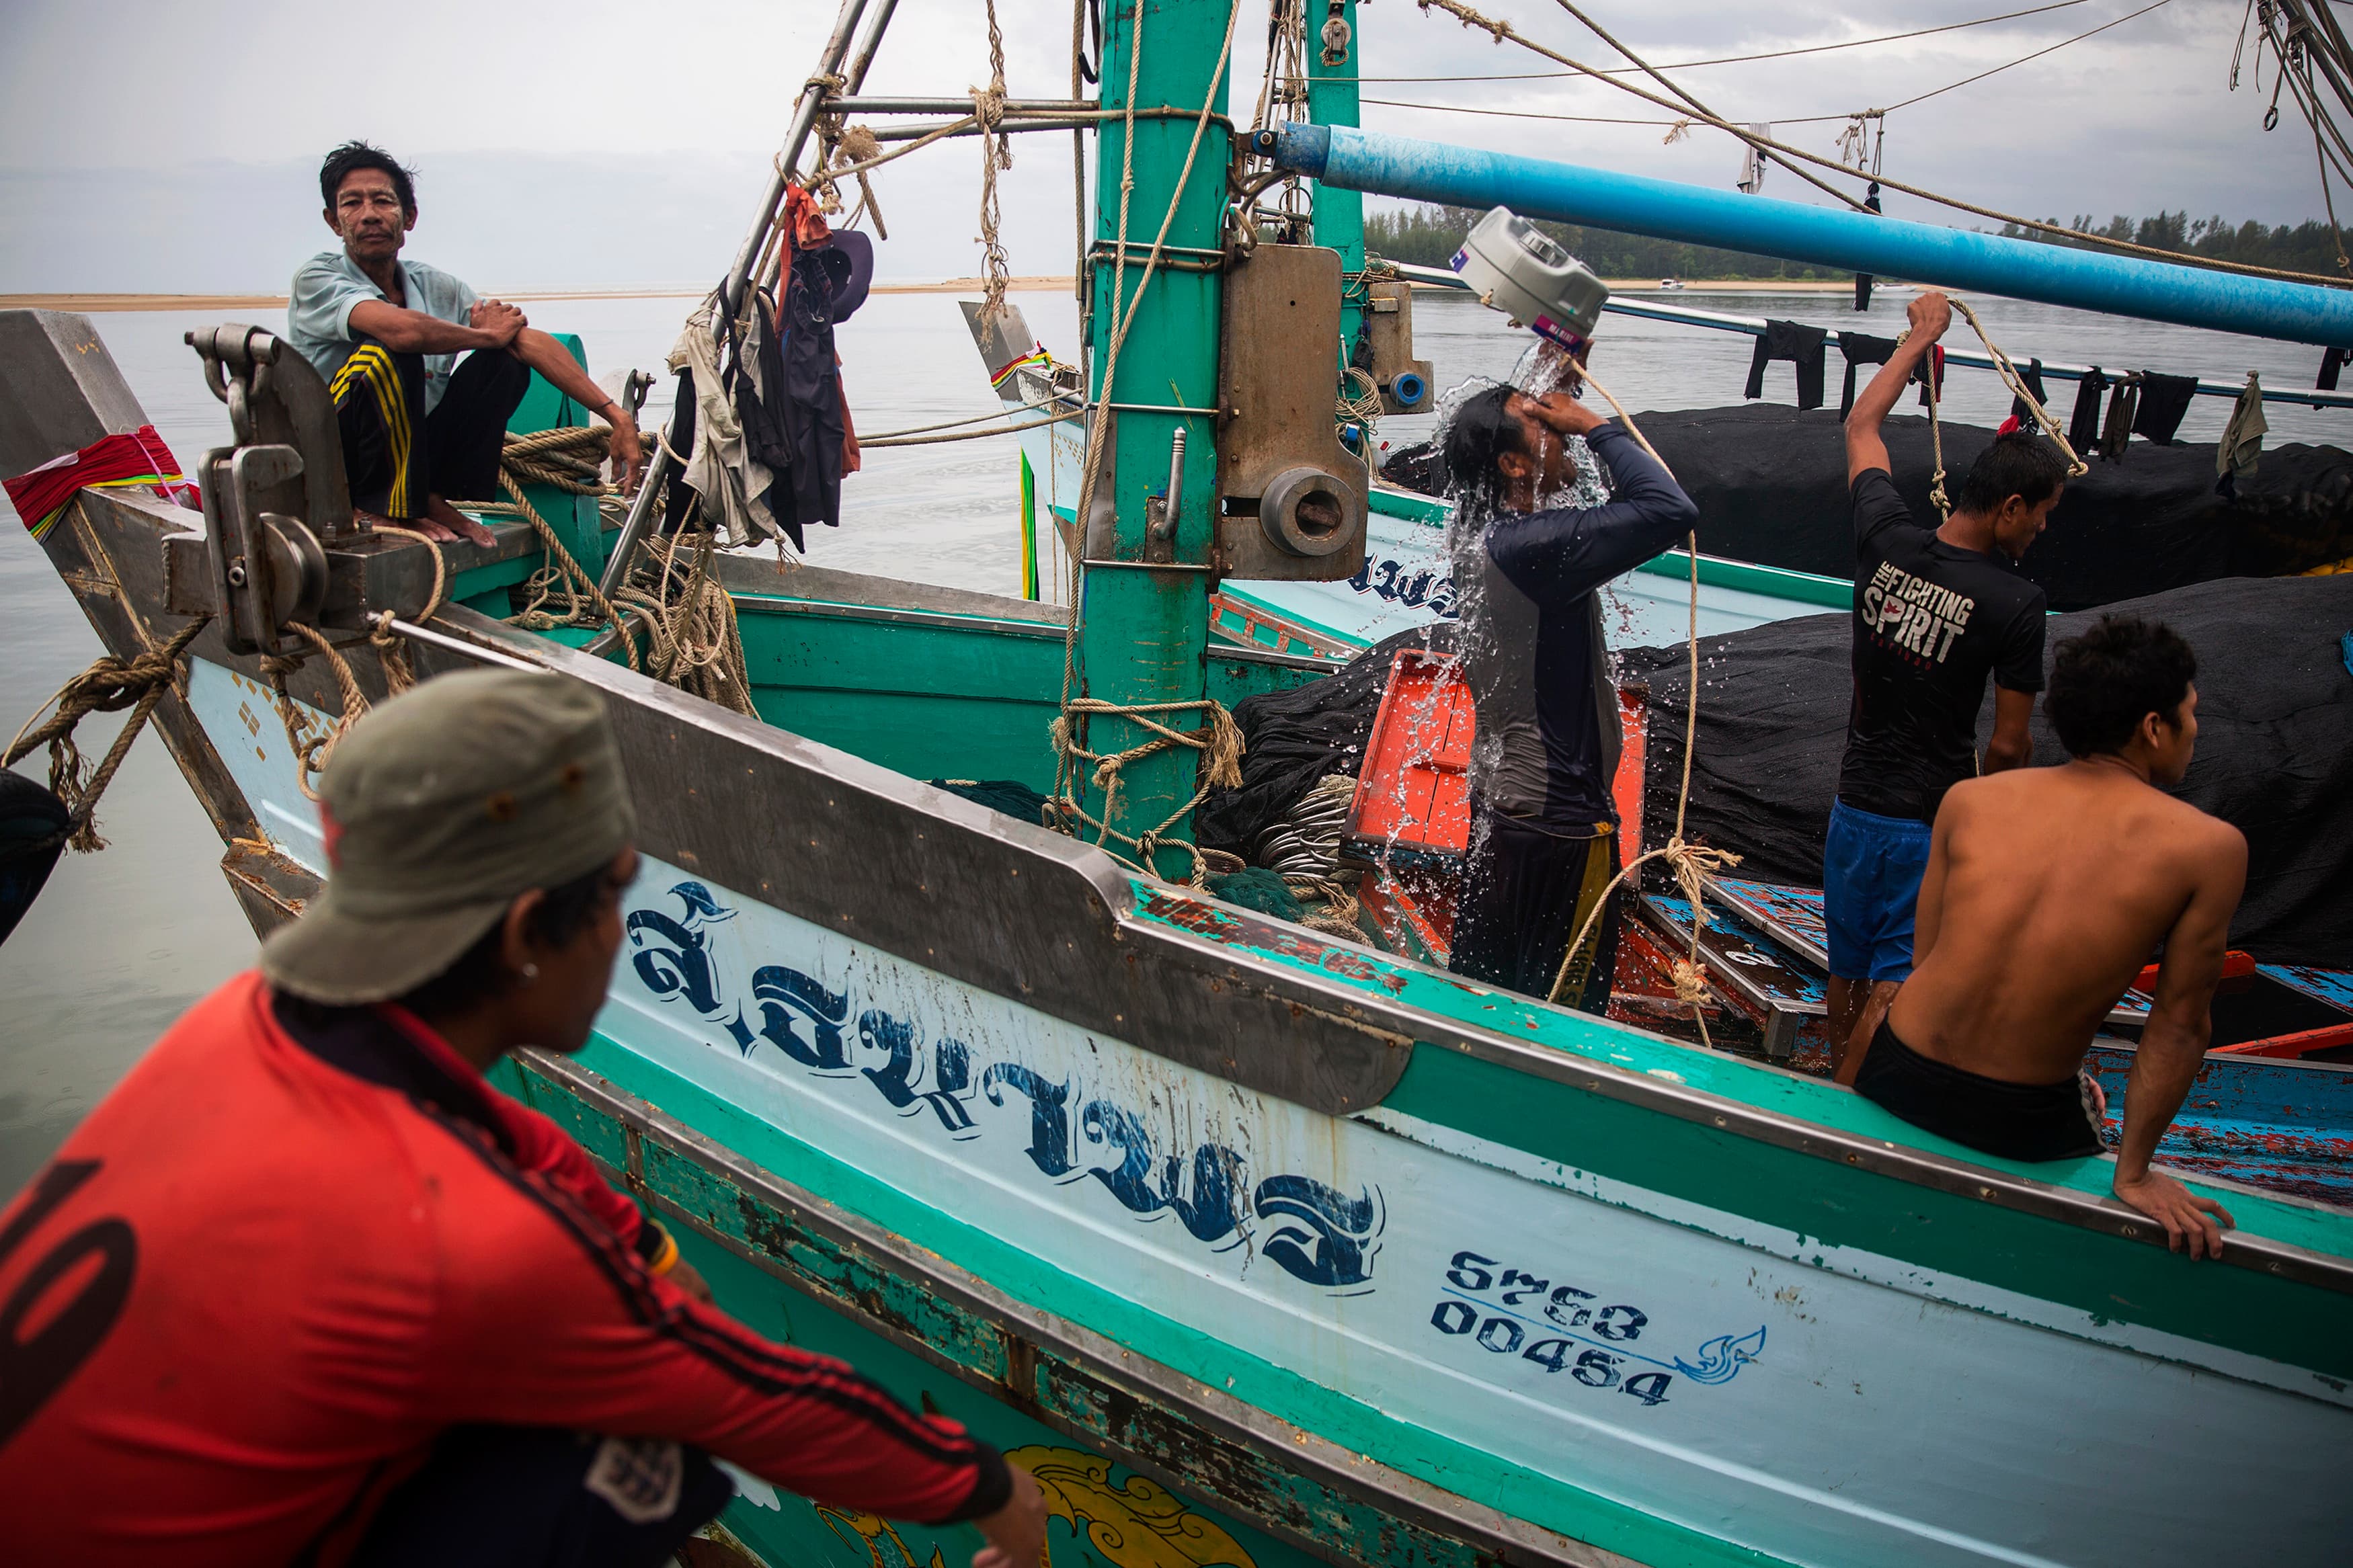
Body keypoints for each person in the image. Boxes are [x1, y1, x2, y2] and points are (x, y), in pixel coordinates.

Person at [0, 669, 1048, 1566]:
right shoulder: (467, 1241)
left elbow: (513, 1150)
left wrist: (629, 1235)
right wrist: (995, 1488)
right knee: (636, 1455)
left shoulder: (249, 1023)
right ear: (524, 933)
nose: (624, 935)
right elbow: (757, 1400)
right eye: (616, 895)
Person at [1853, 616, 2244, 1257]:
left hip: (1897, 1070)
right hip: (2017, 1117)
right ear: (2153, 727)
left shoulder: (1972, 799)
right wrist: (2136, 1175)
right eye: (2191, 712)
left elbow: (1928, 961)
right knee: (2085, 1110)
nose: (2196, 730)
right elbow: (2179, 1026)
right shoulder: (2210, 848)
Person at [1829, 290, 2069, 1080]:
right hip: (1925, 818)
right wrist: (1987, 819)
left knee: (1847, 966)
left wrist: (1920, 338)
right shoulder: (2016, 603)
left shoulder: (1884, 536)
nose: (2039, 534)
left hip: (1851, 803)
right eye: (2039, 517)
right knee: (1898, 978)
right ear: (2007, 506)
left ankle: (1829, 1073)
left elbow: (1861, 426)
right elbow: (2005, 742)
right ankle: (1848, 1106)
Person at [1441, 373, 1700, 1009]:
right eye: (1541, 427)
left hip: (1502, 813)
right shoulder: (1536, 548)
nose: (1558, 430)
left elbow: (1527, 429)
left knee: (1486, 995)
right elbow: (1670, 509)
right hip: (1562, 829)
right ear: (1510, 463)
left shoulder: (1480, 532)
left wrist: (1559, 369)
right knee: (1564, 1014)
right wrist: (1596, 426)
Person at [286, 142, 647, 546]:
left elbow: (526, 341)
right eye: (352, 204)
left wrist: (616, 416)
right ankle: (379, 506)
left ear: (408, 218)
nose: (369, 214)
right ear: (334, 222)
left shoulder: (437, 287)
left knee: (504, 362)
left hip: (411, 459)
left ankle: (430, 497)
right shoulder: (317, 278)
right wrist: (483, 335)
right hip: (336, 460)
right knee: (391, 352)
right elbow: (402, 332)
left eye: (383, 201)